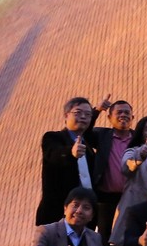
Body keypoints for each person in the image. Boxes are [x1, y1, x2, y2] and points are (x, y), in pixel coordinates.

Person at [36, 96, 99, 226]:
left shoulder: (88, 147)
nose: (83, 117)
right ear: (66, 116)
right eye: (78, 113)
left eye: (88, 114)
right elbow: (54, 155)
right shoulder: (53, 138)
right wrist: (71, 153)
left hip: (85, 218)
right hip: (57, 214)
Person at [88, 99, 135, 246]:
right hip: (105, 198)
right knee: (105, 237)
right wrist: (97, 111)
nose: (123, 115)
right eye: (119, 112)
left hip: (130, 197)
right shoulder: (102, 135)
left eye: (127, 112)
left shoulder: (138, 139)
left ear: (132, 117)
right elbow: (85, 131)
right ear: (109, 117)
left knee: (129, 235)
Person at [117, 114, 147, 219]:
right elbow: (126, 167)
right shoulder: (133, 151)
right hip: (134, 208)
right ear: (141, 134)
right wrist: (140, 156)